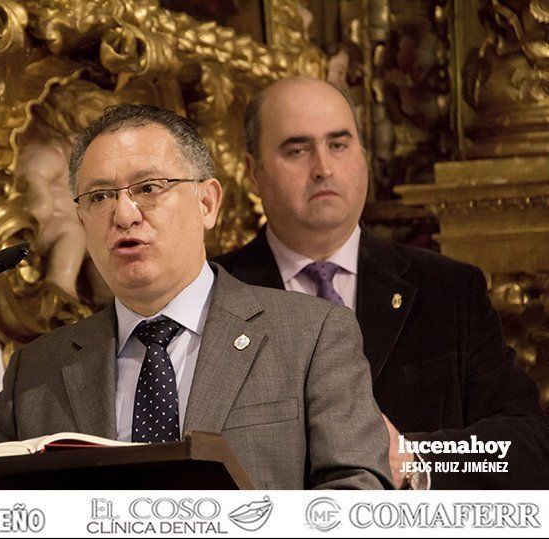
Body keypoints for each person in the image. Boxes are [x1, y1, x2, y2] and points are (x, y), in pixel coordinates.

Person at [0, 103, 393, 489]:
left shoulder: (312, 335)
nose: (124, 215)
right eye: (100, 197)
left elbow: (357, 495)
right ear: (81, 220)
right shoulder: (35, 373)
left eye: (148, 188)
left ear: (207, 203)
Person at [215, 76, 549, 489]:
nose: (323, 168)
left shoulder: (448, 290)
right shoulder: (213, 295)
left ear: (363, 156)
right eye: (297, 150)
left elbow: (529, 444)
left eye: (339, 144)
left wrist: (418, 459)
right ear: (253, 173)